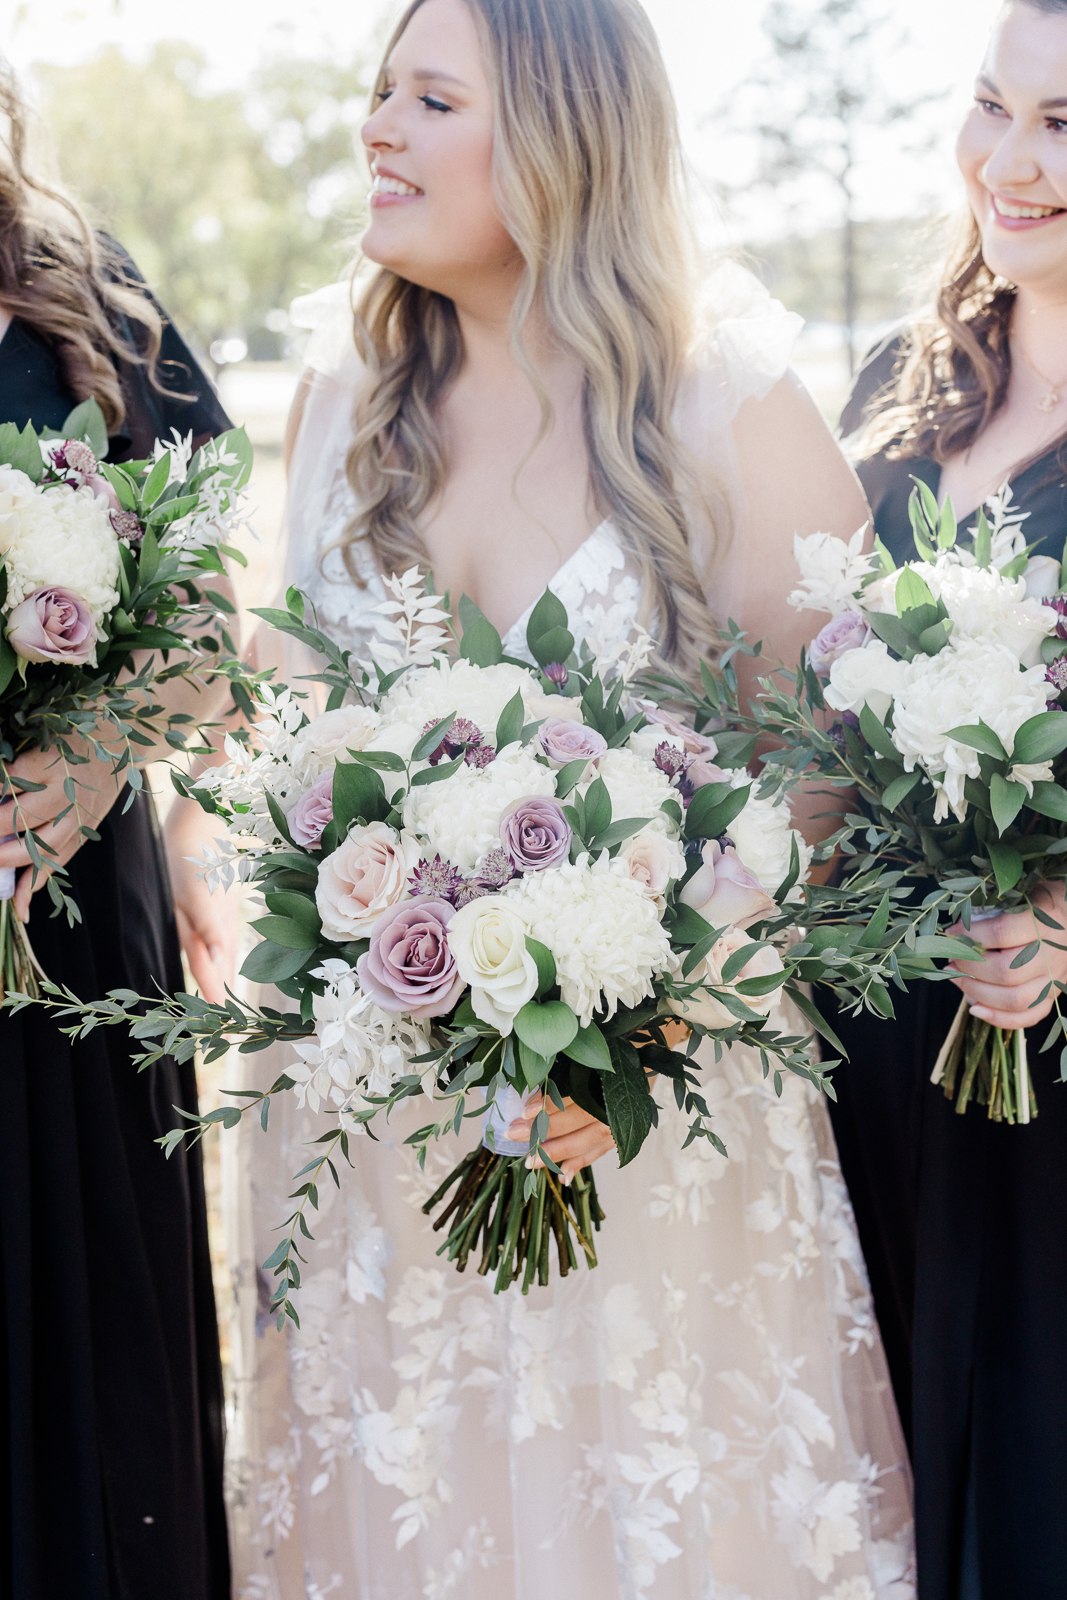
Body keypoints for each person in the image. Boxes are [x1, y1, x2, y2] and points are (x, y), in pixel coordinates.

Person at [226, 2, 915, 1595]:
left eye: (430, 98)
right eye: (378, 90)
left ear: (556, 138)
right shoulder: (343, 387)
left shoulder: (727, 408)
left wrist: (638, 1050)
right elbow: (300, 729)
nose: (377, 128)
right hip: (378, 1137)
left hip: (643, 1131)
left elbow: (812, 794)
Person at [824, 4, 1067, 1597]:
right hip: (878, 1034)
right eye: (992, 105)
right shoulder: (893, 391)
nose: (1008, 160)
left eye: (1063, 125)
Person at [0, 62, 237, 1600]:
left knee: (90, 1369)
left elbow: (211, 599)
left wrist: (87, 763)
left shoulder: (94, 295)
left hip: (70, 914)